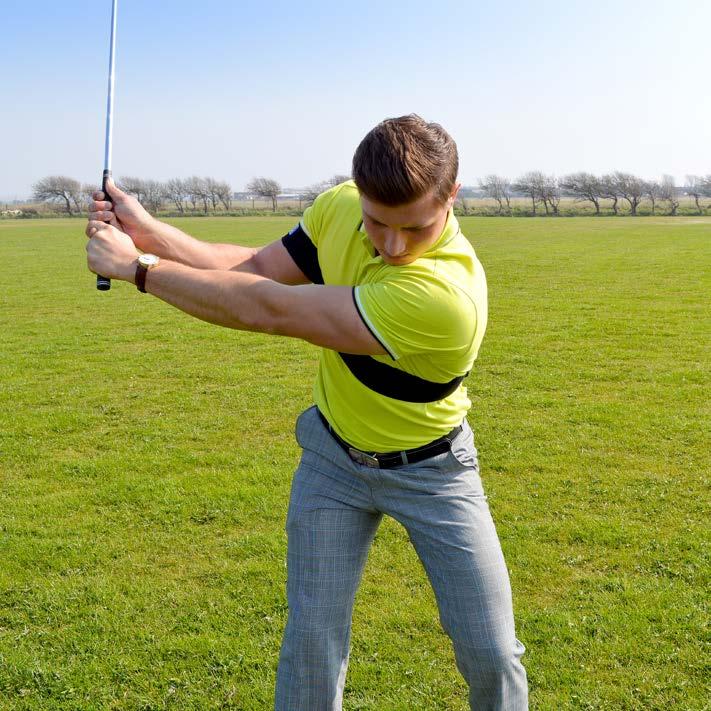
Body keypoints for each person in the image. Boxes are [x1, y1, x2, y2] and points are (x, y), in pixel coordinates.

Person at [86, 114, 528, 710]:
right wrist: (146, 230)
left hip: (433, 472)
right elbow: (255, 269)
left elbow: (271, 309)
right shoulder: (340, 206)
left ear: (453, 194)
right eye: (377, 222)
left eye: (415, 227)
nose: (393, 246)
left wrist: (137, 268)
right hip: (333, 460)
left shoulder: (445, 297)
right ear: (358, 193)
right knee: (312, 642)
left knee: (491, 652)